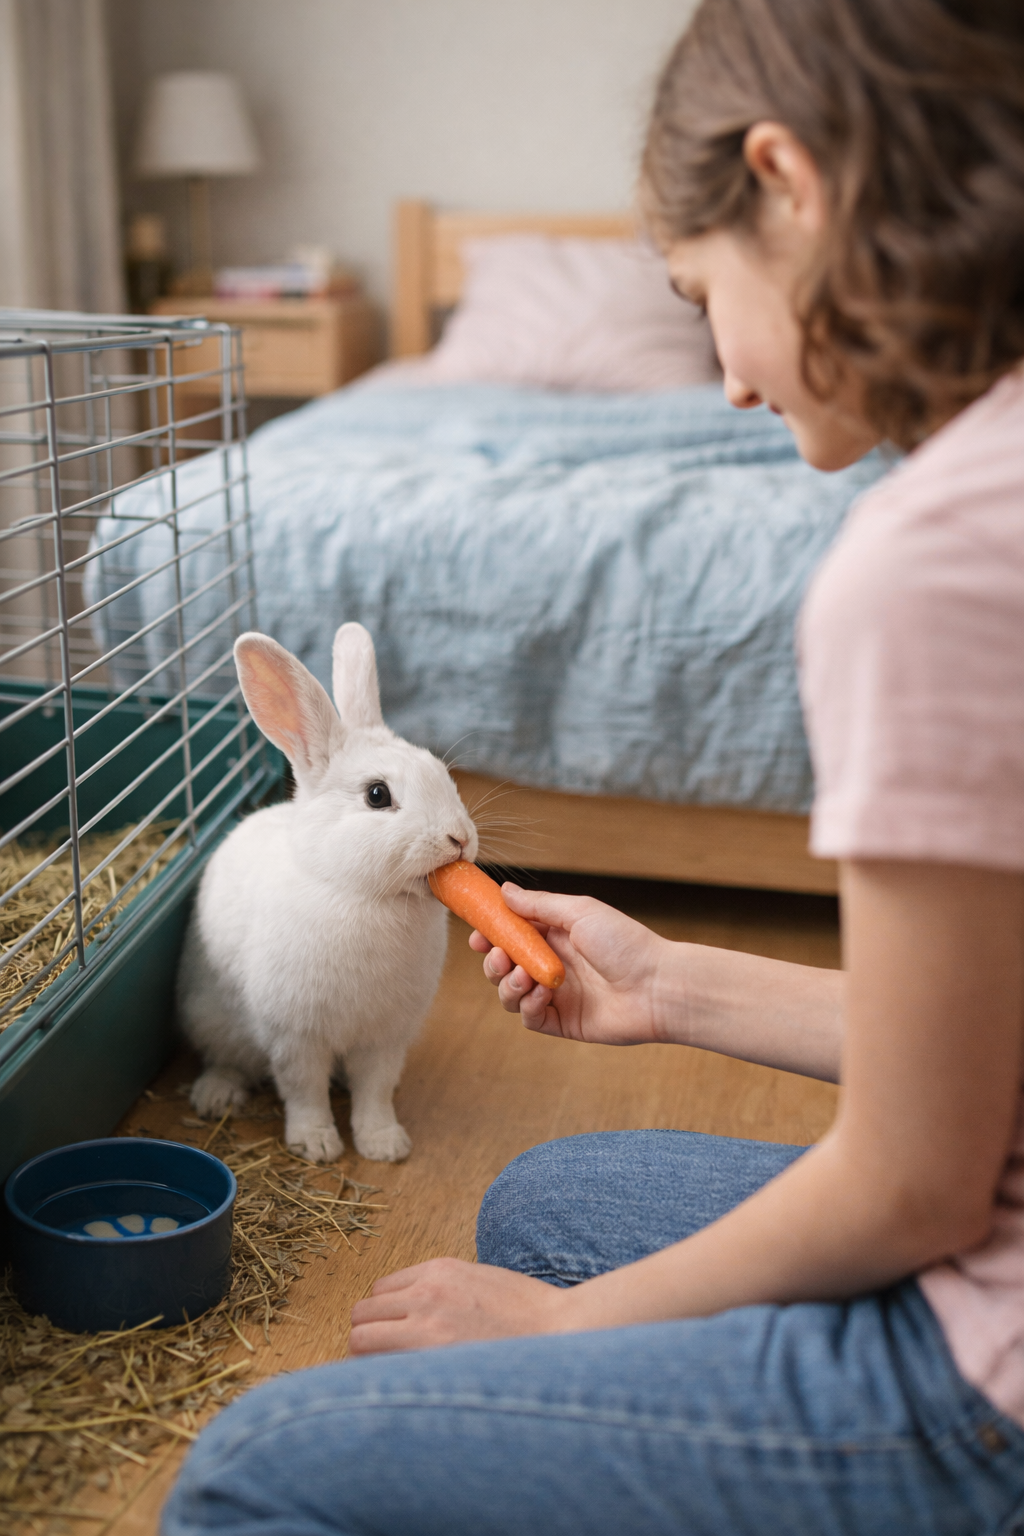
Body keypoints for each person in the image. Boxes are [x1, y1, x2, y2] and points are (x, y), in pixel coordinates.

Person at [163, 1, 1024, 1530]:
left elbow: (917, 1182)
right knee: (544, 1201)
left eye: (705, 298)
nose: (733, 387)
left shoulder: (935, 561)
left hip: (989, 1366)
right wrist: (675, 987)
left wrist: (563, 1335)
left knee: (246, 1474)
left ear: (790, 183)